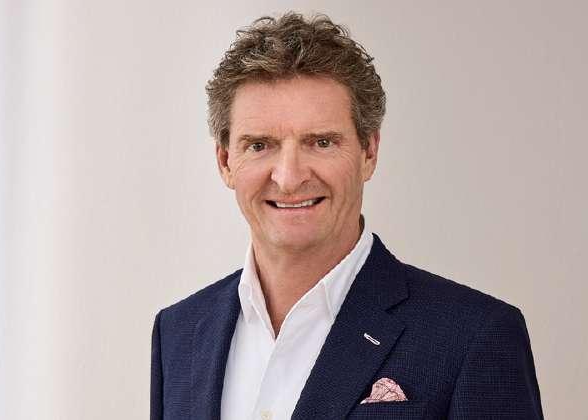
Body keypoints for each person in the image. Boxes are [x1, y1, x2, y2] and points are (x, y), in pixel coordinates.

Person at [150, 11, 543, 420]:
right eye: (259, 145)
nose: (289, 178)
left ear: (368, 152)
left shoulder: (473, 335)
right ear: (225, 161)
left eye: (321, 142)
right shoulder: (178, 333)